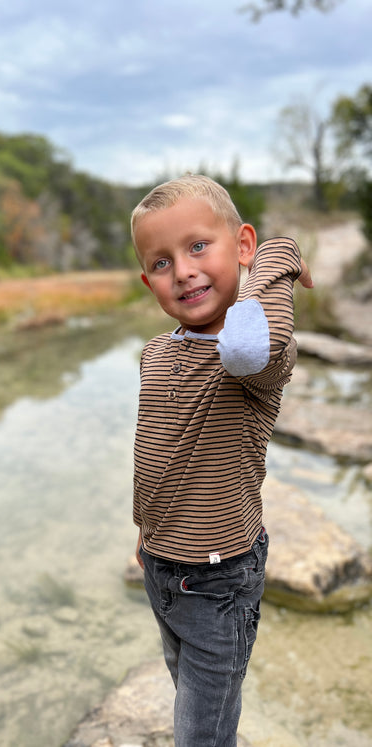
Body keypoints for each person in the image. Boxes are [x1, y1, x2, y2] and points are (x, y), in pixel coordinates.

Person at [130, 174, 313, 746]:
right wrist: (145, 532)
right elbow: (159, 456)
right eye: (161, 263)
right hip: (163, 566)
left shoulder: (251, 358)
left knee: (198, 736)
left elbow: (252, 341)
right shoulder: (156, 353)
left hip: (218, 579)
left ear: (242, 248)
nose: (182, 270)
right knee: (200, 711)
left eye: (198, 247)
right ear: (146, 281)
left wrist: (278, 257)